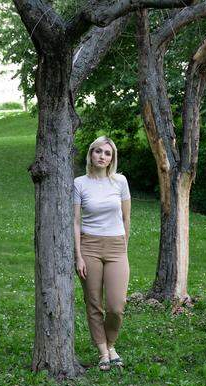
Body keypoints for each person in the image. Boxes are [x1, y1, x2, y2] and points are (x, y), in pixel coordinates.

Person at [74, 136, 131, 370]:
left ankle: (111, 343)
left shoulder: (120, 181)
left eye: (107, 153)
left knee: (116, 306)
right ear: (90, 154)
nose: (102, 156)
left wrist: (124, 246)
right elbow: (76, 221)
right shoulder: (79, 183)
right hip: (89, 247)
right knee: (94, 302)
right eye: (98, 151)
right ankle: (103, 351)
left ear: (112, 158)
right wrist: (78, 256)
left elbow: (127, 217)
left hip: (117, 246)